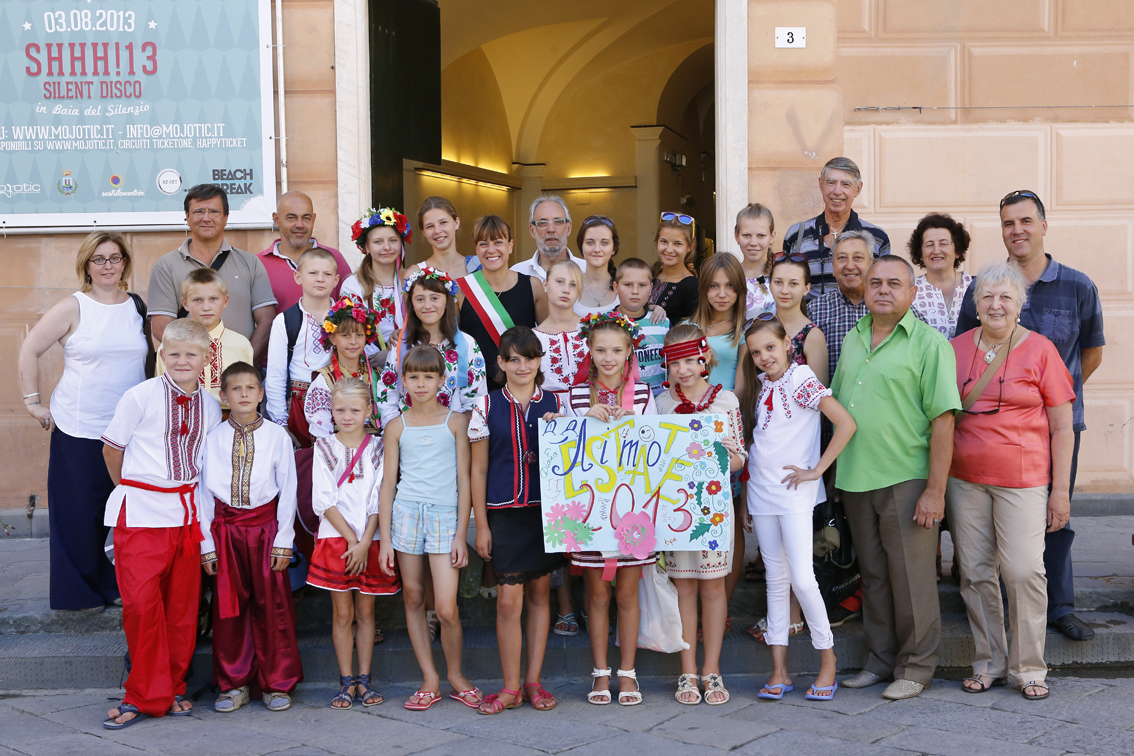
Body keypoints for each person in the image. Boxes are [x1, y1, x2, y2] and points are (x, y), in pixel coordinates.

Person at [955, 190, 1105, 643]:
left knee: (1055, 513)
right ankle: (998, 611)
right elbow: (969, 351)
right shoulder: (983, 286)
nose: (1017, 230)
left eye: (1025, 221)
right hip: (994, 434)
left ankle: (1059, 607)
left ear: (1043, 225)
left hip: (1057, 426)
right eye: (1007, 223)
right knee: (999, 528)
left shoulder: (1077, 286)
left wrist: (1053, 395)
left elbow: (1092, 352)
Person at [833, 255, 961, 700]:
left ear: (912, 292)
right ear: (865, 291)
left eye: (894, 283)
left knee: (913, 579)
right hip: (855, 477)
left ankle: (917, 666)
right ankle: (880, 659)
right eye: (875, 283)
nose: (883, 290)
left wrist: (935, 491)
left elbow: (943, 423)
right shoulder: (853, 338)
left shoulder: (930, 345)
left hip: (906, 479)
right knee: (875, 576)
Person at [947, 263, 1075, 702]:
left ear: (1020, 304)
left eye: (1005, 297)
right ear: (976, 304)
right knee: (977, 574)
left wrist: (1060, 492)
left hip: (1023, 480)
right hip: (964, 480)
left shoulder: (1041, 350)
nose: (996, 305)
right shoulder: (957, 348)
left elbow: (1063, 426)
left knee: (1023, 571)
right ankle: (990, 662)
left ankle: (1029, 667)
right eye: (987, 297)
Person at [100, 319, 223, 728]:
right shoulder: (139, 396)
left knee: (182, 610)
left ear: (206, 358)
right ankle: (142, 694)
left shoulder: (209, 404)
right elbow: (112, 449)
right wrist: (133, 488)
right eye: (174, 354)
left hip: (186, 517)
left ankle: (170, 689)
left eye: (191, 354)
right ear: (161, 355)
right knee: (140, 606)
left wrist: (205, 536)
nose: (182, 361)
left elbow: (204, 469)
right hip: (140, 514)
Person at [17, 231, 147, 611]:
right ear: (86, 265)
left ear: (124, 262)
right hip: (79, 426)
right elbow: (29, 348)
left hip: (128, 430)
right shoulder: (73, 306)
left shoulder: (137, 305)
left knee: (121, 512)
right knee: (78, 516)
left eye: (115, 257)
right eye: (99, 259)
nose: (108, 265)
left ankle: (114, 582)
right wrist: (32, 402)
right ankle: (80, 595)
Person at [740, 316, 856, 702]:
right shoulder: (761, 385)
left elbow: (845, 424)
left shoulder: (801, 378)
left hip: (793, 492)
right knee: (775, 580)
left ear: (787, 342)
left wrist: (818, 471)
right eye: (756, 352)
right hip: (761, 491)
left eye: (770, 348)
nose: (764, 357)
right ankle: (779, 670)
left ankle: (828, 662)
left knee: (803, 579)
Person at [562, 312, 656, 706]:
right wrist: (584, 421)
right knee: (598, 595)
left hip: (633, 512)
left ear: (630, 350)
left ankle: (629, 674)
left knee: (628, 596)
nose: (608, 357)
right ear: (589, 349)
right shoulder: (575, 395)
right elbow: (563, 452)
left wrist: (634, 425)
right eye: (600, 349)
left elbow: (656, 453)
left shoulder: (645, 396)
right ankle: (601, 673)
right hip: (592, 514)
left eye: (616, 350)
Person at [469, 327, 565, 713]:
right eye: (514, 359)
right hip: (504, 514)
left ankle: (532, 682)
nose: (522, 366)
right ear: (501, 363)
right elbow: (477, 471)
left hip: (545, 512)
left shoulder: (557, 402)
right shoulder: (486, 405)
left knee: (542, 597)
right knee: (509, 601)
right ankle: (509, 686)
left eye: (529, 358)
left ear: (540, 361)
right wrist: (483, 526)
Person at [378, 347, 479, 711]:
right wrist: (385, 539)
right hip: (406, 515)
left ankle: (455, 674)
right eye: (414, 377)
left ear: (441, 380)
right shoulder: (396, 425)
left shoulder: (455, 422)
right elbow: (388, 484)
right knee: (413, 597)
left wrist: (459, 536)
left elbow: (465, 482)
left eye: (428, 377)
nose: (421, 384)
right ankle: (430, 678)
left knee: (447, 607)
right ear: (403, 380)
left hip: (444, 516)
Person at [200, 363, 303, 713]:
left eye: (250, 388)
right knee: (229, 611)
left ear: (261, 393)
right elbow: (203, 494)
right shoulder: (212, 439)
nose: (244, 394)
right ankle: (234, 684)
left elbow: (288, 490)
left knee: (272, 608)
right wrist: (207, 544)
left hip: (265, 531)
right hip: (225, 532)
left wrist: (284, 539)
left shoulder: (277, 436)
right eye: (236, 389)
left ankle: (277, 683)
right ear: (224, 395)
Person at [656, 324, 746, 706]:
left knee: (712, 587)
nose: (685, 369)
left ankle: (712, 669)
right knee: (684, 587)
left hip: (712, 512)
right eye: (676, 362)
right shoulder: (658, 404)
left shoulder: (726, 402)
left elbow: (742, 458)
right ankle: (687, 669)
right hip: (674, 512)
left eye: (691, 359)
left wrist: (728, 455)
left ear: (705, 357)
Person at [308, 378, 400, 709]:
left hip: (370, 539)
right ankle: (345, 680)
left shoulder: (378, 446)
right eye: (340, 409)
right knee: (342, 612)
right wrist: (352, 541)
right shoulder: (323, 447)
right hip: (337, 540)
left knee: (366, 610)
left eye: (355, 409)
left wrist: (365, 543)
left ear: (369, 411)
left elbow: (380, 496)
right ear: (331, 411)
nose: (347, 416)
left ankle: (364, 678)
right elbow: (323, 499)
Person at [147, 184, 277, 362]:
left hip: (237, 378)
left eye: (214, 211)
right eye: (199, 211)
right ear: (187, 217)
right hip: (188, 374)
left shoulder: (250, 263)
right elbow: (161, 327)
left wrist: (242, 365)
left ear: (225, 217)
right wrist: (194, 365)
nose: (206, 218)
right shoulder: (166, 266)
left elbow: (267, 321)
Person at [376, 267, 487, 427]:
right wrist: (397, 431)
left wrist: (455, 432)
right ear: (411, 304)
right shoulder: (402, 344)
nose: (427, 305)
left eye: (434, 298)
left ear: (447, 301)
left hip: (453, 435)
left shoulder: (467, 344)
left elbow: (476, 398)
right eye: (420, 299)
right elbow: (388, 392)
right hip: (408, 434)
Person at [457, 215, 546, 393]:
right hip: (476, 392)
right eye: (483, 243)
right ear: (476, 248)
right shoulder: (461, 289)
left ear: (510, 246)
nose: (491, 250)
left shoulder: (532, 286)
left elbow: (547, 337)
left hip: (522, 388)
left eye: (498, 242)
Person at [782, 157, 890, 299]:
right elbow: (785, 284)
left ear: (858, 189)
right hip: (806, 320)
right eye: (831, 183)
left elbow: (882, 287)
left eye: (846, 184)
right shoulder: (797, 234)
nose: (837, 191)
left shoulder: (878, 237)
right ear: (821, 184)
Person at [265, 248, 338, 444]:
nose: (320, 279)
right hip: (297, 406)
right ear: (298, 277)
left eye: (327, 274)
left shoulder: (345, 317)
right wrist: (281, 423)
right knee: (301, 466)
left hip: (338, 403)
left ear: (336, 281)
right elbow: (275, 373)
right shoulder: (285, 321)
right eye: (313, 273)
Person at [156, 269, 254, 412]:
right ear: (185, 303)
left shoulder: (241, 344)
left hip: (227, 421)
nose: (206, 307)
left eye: (213, 299)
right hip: (183, 419)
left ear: (225, 301)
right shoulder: (169, 347)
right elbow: (161, 392)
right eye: (197, 300)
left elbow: (247, 392)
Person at [259, 191, 352, 313]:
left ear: (313, 219)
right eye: (291, 218)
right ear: (276, 219)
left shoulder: (334, 258)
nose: (299, 224)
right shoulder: (258, 264)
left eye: (306, 218)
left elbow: (352, 310)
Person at [303, 296, 383, 440]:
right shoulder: (324, 381)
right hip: (338, 452)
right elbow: (322, 433)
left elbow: (389, 419)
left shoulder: (378, 376)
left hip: (376, 450)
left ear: (366, 337)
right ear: (333, 338)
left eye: (359, 335)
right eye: (345, 335)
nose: (353, 341)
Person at [340, 207, 411, 359]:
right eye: (378, 241)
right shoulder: (353, 285)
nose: (387, 247)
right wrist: (381, 356)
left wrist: (395, 354)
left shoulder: (413, 281)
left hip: (411, 364)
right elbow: (349, 331)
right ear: (366, 247)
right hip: (369, 364)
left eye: (393, 240)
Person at [808, 231, 876, 377]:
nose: (850, 266)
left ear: (871, 264)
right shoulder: (814, 310)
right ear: (833, 267)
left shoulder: (891, 307)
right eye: (842, 258)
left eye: (858, 257)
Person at [685, 253, 747, 391]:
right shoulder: (685, 328)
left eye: (730, 285)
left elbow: (741, 387)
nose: (722, 294)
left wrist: (724, 411)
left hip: (727, 408)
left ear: (739, 288)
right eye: (714, 286)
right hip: (690, 410)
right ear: (704, 288)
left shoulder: (744, 331)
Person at [909, 213, 973, 339]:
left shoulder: (975, 287)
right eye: (929, 245)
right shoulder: (910, 292)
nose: (936, 250)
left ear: (957, 251)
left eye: (943, 244)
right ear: (920, 253)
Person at [769, 253, 829, 385]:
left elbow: (819, 393)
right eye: (778, 282)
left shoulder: (812, 336)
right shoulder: (761, 327)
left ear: (806, 288)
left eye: (793, 284)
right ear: (770, 284)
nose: (784, 290)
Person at [615, 257, 671, 396]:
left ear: (651, 287)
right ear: (616, 287)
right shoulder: (606, 324)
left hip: (659, 401)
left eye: (642, 285)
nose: (635, 291)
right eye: (628, 285)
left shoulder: (662, 323)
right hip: (620, 402)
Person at [535, 260, 588, 396]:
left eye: (573, 284)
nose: (566, 290)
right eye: (560, 281)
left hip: (589, 410)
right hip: (548, 412)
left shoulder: (592, 331)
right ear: (545, 284)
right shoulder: (534, 338)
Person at [511, 195, 584, 281]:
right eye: (543, 223)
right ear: (532, 230)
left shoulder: (586, 270)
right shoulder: (516, 274)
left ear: (568, 228)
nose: (551, 229)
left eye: (558, 222)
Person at [410, 196, 481, 279]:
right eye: (430, 226)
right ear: (423, 232)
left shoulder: (478, 266)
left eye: (443, 222)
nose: (437, 231)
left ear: (456, 223)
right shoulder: (415, 273)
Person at [649, 212, 699, 325]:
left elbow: (693, 330)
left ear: (690, 247)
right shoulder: (650, 274)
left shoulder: (692, 286)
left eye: (677, 244)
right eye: (664, 241)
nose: (669, 249)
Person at [736, 204, 777, 321]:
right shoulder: (730, 276)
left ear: (772, 236)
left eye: (761, 236)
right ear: (736, 236)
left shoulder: (781, 275)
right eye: (747, 235)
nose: (753, 242)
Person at [574, 215, 621, 316]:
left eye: (604, 243)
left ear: (614, 248)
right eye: (590, 242)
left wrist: (655, 308)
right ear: (581, 246)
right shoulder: (570, 286)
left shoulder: (624, 286)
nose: (597, 249)